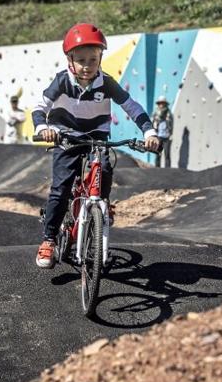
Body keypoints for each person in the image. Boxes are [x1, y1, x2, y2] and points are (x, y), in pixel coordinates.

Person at [32, 22, 161, 269]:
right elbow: (40, 108)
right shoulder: (62, 81)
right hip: (66, 136)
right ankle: (48, 240)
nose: (87, 65)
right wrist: (43, 129)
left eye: (93, 59)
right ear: (70, 59)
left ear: (101, 58)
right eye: (81, 60)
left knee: (105, 165)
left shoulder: (106, 82)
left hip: (96, 137)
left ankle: (101, 202)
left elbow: (132, 107)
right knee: (61, 188)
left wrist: (150, 131)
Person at [151, 96, 174, 168]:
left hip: (167, 137)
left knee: (167, 155)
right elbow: (152, 123)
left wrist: (171, 135)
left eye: (163, 103)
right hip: (158, 137)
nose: (161, 105)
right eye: (160, 103)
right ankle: (157, 170)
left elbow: (171, 125)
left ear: (165, 104)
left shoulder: (169, 114)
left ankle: (168, 171)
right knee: (157, 154)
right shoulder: (155, 113)